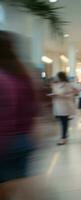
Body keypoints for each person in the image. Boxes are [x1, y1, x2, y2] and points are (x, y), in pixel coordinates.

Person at [0, 31, 37, 198]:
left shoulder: (3, 78)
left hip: (7, 143)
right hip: (23, 140)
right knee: (16, 184)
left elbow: (5, 117)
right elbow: (34, 108)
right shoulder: (22, 74)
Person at [49, 72, 75, 145]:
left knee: (64, 121)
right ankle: (65, 135)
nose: (56, 78)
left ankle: (63, 138)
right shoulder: (55, 84)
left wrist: (61, 95)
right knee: (62, 121)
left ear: (61, 77)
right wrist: (53, 95)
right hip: (58, 105)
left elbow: (70, 95)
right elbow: (55, 92)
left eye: (57, 77)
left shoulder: (67, 85)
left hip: (64, 106)